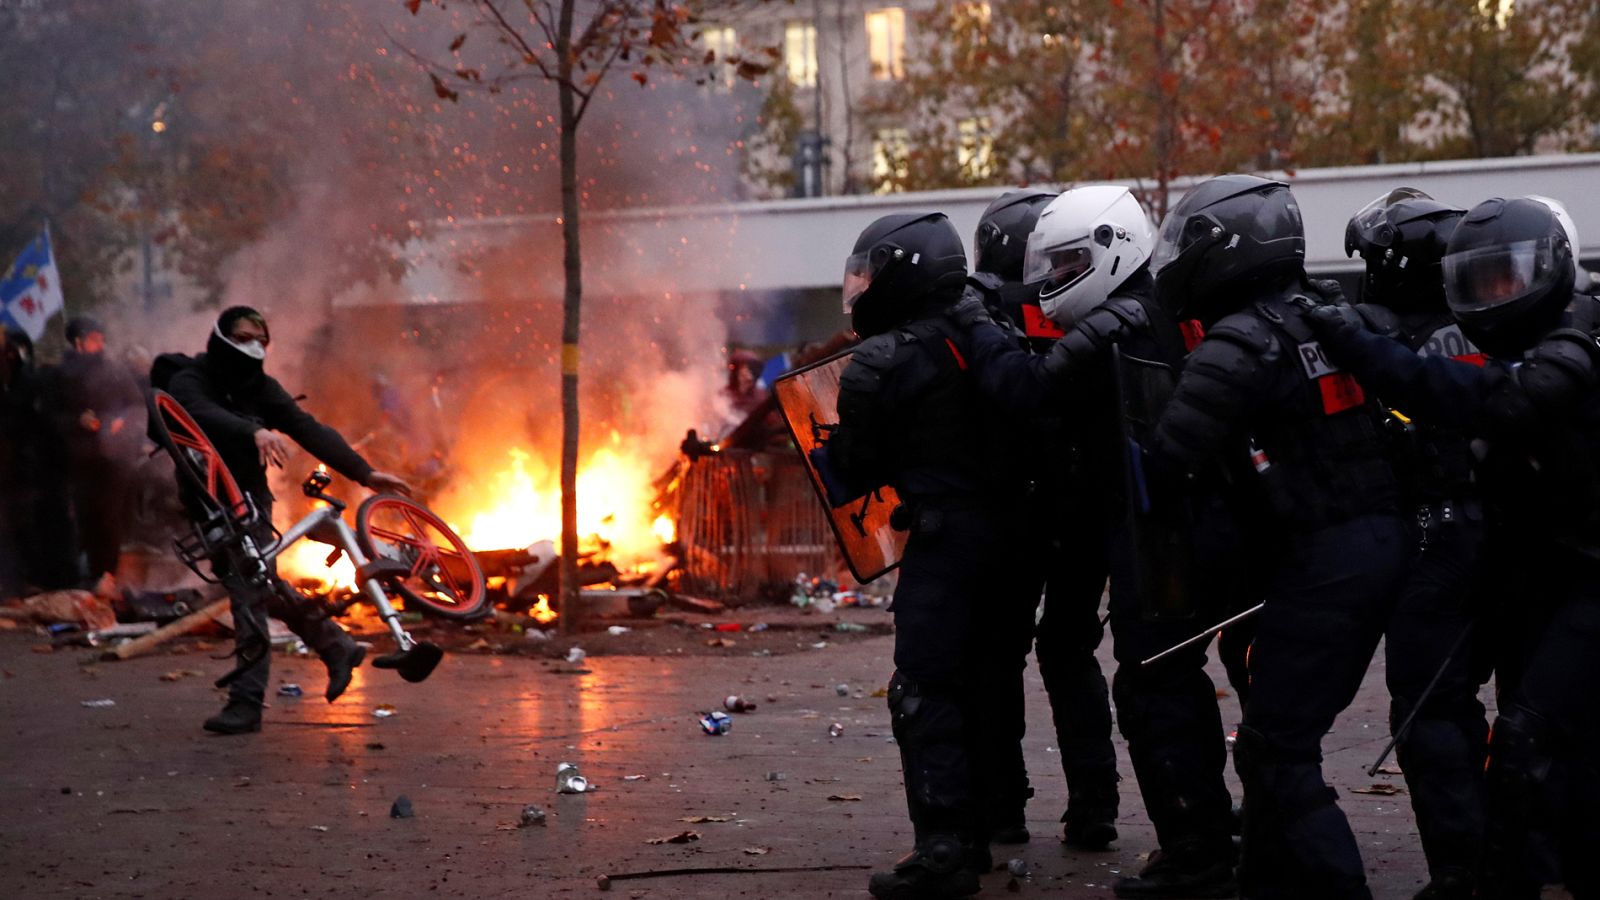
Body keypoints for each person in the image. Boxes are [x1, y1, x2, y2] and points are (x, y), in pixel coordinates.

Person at [948, 184, 1241, 898]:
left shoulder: (1119, 319)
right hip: (1147, 527)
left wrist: (970, 320)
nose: (1051, 280)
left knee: (1154, 687)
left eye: (1067, 262)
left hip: (1150, 533)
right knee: (1151, 681)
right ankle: (1194, 838)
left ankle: (1196, 850)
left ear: (1112, 248)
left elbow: (1028, 389)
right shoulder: (1154, 310)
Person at [1308, 195, 1600, 899]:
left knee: (1530, 733)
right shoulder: (1535, 351)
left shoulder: (1567, 352)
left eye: (1508, 278)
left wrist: (1353, 344)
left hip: (1589, 574)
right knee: (1536, 731)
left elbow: (1482, 401)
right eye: (1479, 279)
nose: (1492, 296)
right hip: (1546, 568)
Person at [1144, 174, 1408, 900]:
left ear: (1225, 249)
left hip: (1326, 560)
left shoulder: (1240, 340)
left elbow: (1171, 458)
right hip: (1379, 545)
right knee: (1274, 740)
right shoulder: (1331, 315)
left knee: (1276, 748)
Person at [817, 211, 998, 899]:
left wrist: (835, 449)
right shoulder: (982, 334)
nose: (860, 289)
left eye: (869, 273)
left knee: (922, 691)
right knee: (983, 684)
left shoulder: (883, 360)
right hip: (1008, 538)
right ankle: (979, 832)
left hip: (945, 541)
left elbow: (854, 468)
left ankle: (945, 853)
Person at [960, 188, 1124, 852]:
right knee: (1070, 653)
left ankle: (1001, 808)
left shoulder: (981, 317)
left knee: (997, 658)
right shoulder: (1091, 306)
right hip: (1083, 514)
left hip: (1015, 512)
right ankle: (1094, 806)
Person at [162, 306, 412, 735]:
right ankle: (337, 645)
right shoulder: (191, 379)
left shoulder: (262, 388)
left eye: (261, 339)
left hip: (250, 500)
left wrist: (364, 473)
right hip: (205, 498)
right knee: (257, 585)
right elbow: (198, 412)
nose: (253, 347)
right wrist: (252, 431)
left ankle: (246, 702)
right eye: (242, 337)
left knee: (248, 589)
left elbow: (306, 428)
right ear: (221, 338)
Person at [1342, 189, 1486, 900]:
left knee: (1429, 710)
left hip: (1441, 539)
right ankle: (1522, 848)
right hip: (1497, 537)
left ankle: (1463, 869)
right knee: (1484, 706)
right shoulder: (1481, 327)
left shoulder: (1405, 341)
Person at [44, 316, 146, 582]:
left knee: (109, 517)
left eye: (101, 339)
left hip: (114, 458)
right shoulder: (58, 376)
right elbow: (48, 416)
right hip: (78, 459)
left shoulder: (115, 370)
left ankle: (108, 573)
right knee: (85, 516)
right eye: (92, 339)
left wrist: (119, 423)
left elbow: (136, 404)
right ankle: (88, 573)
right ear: (77, 343)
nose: (98, 344)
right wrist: (77, 421)